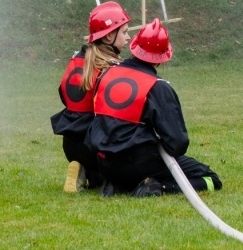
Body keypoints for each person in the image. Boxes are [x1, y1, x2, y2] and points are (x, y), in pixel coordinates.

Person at [86, 18, 223, 197]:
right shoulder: (157, 87)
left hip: (105, 164)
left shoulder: (107, 74)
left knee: (130, 163)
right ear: (162, 57)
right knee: (211, 179)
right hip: (138, 164)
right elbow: (177, 144)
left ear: (136, 47)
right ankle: (159, 188)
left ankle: (118, 184)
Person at [51, 1, 132, 193]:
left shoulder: (76, 60)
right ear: (110, 35)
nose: (128, 37)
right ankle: (97, 171)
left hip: (71, 145)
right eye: (124, 32)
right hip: (96, 147)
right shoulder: (112, 68)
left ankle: (82, 167)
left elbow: (64, 96)